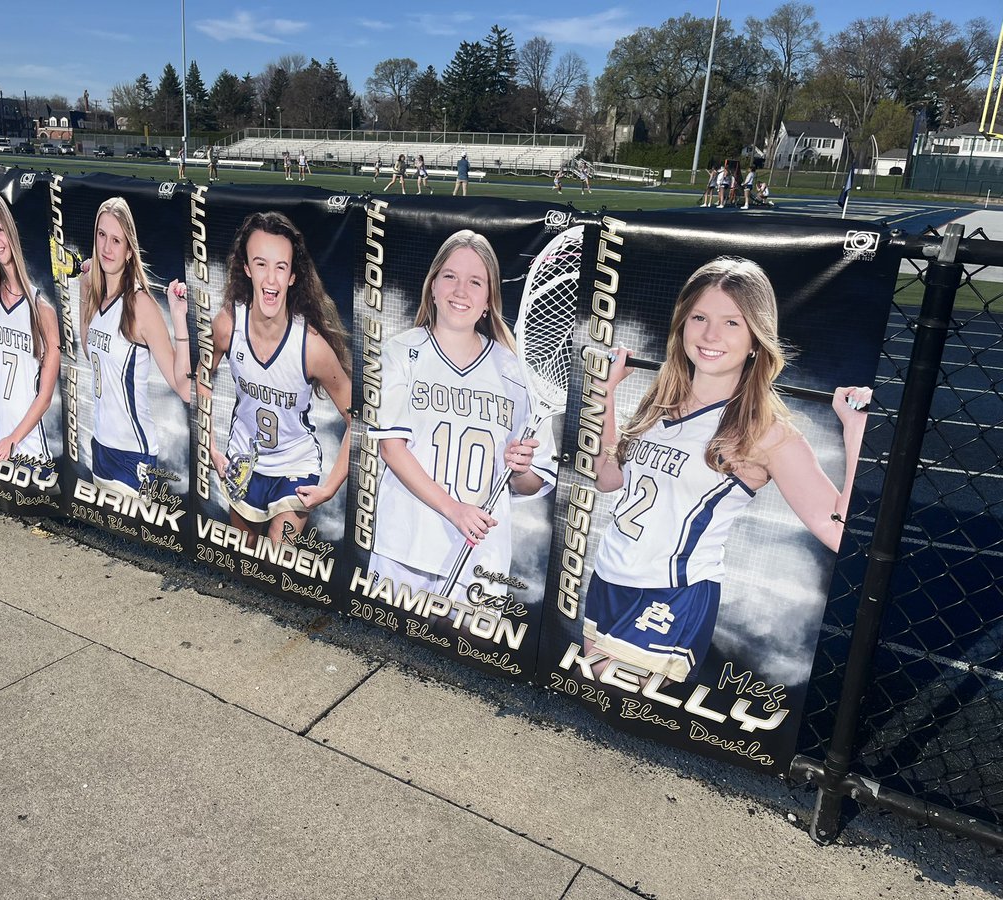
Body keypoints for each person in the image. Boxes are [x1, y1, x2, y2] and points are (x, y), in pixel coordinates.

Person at [583, 256, 872, 683]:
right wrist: (605, 397)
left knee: (615, 693)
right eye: (699, 317)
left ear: (756, 338)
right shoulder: (659, 401)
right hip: (608, 576)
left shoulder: (766, 433)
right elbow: (608, 481)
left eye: (732, 323)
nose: (710, 334)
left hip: (674, 591)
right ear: (682, 324)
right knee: (598, 702)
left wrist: (856, 435)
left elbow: (838, 530)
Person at [367, 230, 555, 600]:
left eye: (475, 282)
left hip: (481, 555)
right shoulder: (400, 352)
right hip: (405, 544)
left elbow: (530, 484)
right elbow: (391, 448)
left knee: (464, 656)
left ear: (488, 300)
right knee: (381, 650)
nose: (460, 291)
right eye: (450, 276)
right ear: (433, 286)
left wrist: (521, 470)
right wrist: (453, 510)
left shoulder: (518, 374)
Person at [201, 211, 352, 544]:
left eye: (280, 267)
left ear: (293, 277)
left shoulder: (311, 347)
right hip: (244, 461)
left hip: (294, 466)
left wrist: (330, 487)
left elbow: (358, 417)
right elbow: (201, 380)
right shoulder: (228, 324)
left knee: (277, 560)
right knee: (242, 559)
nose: (271, 279)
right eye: (261, 264)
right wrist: (209, 446)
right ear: (246, 269)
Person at [78, 197, 193, 497]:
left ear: (129, 251)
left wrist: (178, 317)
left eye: (116, 240)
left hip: (133, 455)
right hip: (100, 445)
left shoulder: (139, 304)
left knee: (133, 539)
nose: (106, 248)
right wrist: (83, 290)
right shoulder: (96, 295)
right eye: (101, 235)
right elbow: (90, 351)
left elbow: (183, 387)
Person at [0, 190, 61, 464]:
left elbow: (45, 396)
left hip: (28, 447)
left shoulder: (42, 310)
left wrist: (14, 438)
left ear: (12, 232)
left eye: (0, 229)